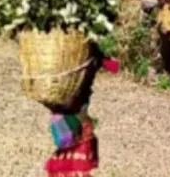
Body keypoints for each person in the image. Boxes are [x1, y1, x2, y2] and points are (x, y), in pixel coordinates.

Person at [46, 49, 118, 177]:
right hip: (77, 110)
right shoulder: (90, 49)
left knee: (66, 149)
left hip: (59, 110)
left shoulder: (61, 53)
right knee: (78, 146)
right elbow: (114, 67)